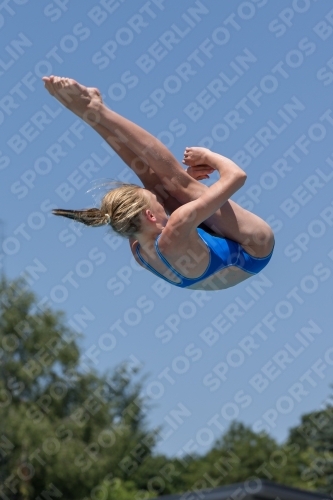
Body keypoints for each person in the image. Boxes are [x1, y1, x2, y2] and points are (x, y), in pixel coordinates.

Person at [42, 76, 274, 291]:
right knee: (177, 185)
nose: (162, 202)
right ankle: (95, 110)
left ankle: (92, 114)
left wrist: (184, 181)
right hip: (253, 249)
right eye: (158, 206)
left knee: (161, 185)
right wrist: (207, 156)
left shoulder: (137, 244)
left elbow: (142, 207)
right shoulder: (176, 225)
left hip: (213, 257)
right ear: (151, 216)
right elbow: (237, 176)